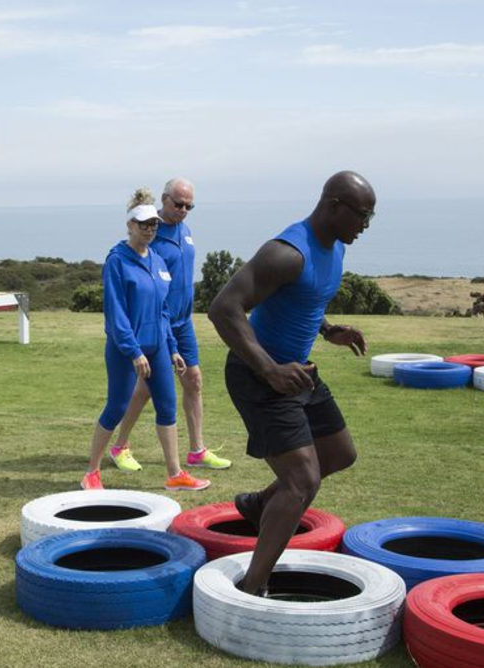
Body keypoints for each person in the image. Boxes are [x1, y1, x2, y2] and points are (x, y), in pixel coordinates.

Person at [208, 171, 375, 595]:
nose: (365, 225)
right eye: (362, 215)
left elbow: (304, 297)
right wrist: (269, 369)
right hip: (257, 374)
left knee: (339, 453)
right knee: (302, 481)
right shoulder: (285, 253)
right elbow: (224, 308)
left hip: (296, 372)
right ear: (334, 205)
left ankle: (260, 504)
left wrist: (329, 329)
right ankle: (252, 589)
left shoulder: (335, 247)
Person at [82, 188, 211, 492]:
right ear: (130, 225)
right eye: (144, 224)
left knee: (167, 407)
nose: (150, 229)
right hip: (126, 350)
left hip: (158, 347)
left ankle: (175, 474)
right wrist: (133, 351)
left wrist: (173, 348)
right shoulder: (117, 261)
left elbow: (163, 310)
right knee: (117, 406)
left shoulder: (157, 261)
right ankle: (92, 472)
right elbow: (116, 313)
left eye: (154, 224)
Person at [106, 178, 231, 473]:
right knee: (145, 388)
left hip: (183, 321)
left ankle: (197, 450)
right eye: (178, 204)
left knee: (194, 380)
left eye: (189, 206)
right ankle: (120, 445)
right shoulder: (152, 232)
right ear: (164, 200)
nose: (184, 210)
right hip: (158, 323)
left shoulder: (185, 231)